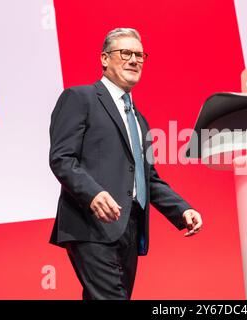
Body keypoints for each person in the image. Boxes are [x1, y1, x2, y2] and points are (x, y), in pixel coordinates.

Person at [49, 27, 202, 300]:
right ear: (105, 59)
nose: (134, 60)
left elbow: (148, 178)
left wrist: (182, 210)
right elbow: (62, 158)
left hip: (130, 228)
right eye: (126, 53)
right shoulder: (80, 98)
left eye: (140, 55)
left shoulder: (139, 119)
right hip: (91, 223)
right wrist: (93, 192)